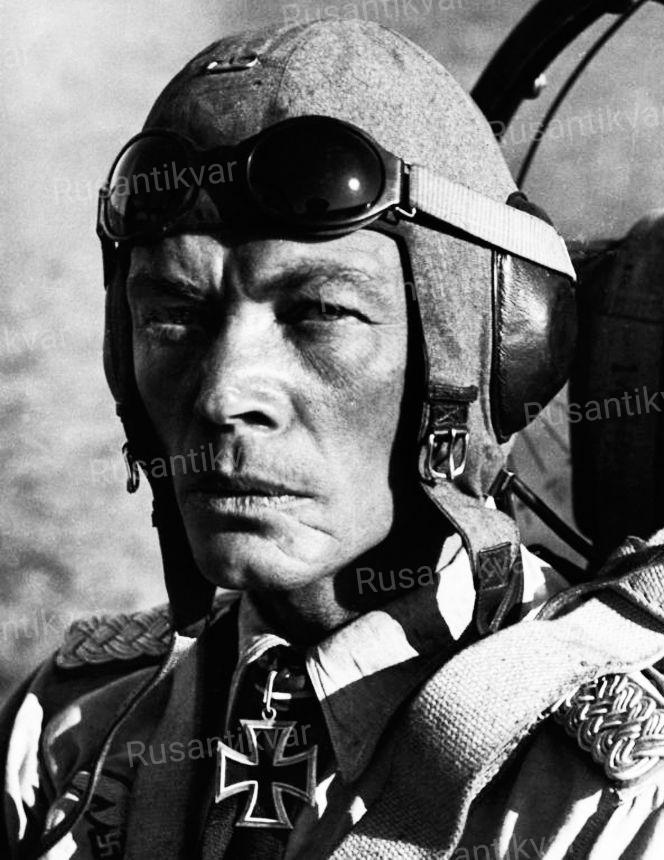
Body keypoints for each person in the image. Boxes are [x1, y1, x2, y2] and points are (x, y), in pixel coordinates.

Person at [3, 19, 664, 860]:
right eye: (172, 315)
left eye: (319, 312)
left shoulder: (613, 804)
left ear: (495, 354)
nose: (223, 393)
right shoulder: (69, 732)